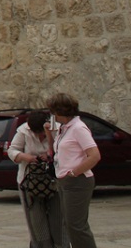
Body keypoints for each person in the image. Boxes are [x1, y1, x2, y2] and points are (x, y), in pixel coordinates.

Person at [47, 93, 100, 248]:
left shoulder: (78, 128)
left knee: (77, 226)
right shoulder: (64, 129)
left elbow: (94, 155)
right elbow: (54, 152)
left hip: (77, 181)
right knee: (70, 225)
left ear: (59, 111)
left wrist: (74, 172)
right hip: (64, 180)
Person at [7, 110, 66, 248]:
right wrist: (26, 157)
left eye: (41, 132)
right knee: (36, 220)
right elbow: (12, 150)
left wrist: (50, 154)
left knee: (58, 217)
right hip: (30, 182)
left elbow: (64, 151)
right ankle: (41, 245)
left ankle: (61, 245)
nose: (39, 135)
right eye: (36, 133)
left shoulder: (56, 129)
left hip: (53, 181)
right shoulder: (23, 131)